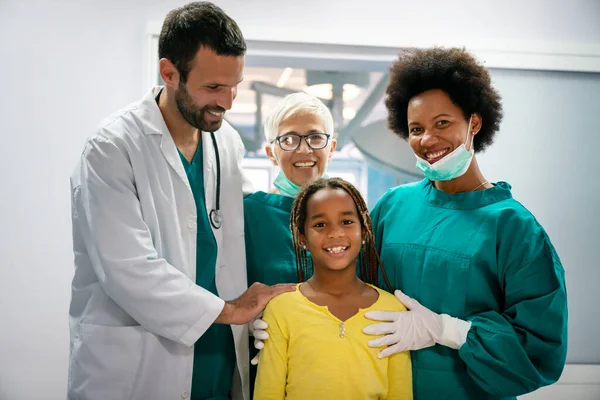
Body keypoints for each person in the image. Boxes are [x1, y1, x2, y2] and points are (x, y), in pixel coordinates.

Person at [68, 3, 294, 399]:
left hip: (216, 352)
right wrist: (230, 310)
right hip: (142, 355)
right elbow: (127, 269)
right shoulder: (111, 148)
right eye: (212, 88)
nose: (228, 101)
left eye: (234, 84)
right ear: (169, 73)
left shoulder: (226, 141)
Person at [362, 47, 568, 399]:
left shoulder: (513, 227)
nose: (428, 139)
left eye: (442, 123)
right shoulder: (392, 207)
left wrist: (448, 330)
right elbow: (350, 289)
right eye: (416, 128)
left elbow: (540, 350)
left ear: (474, 122)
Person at [253, 178, 413, 400]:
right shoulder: (281, 308)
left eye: (347, 221)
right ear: (302, 238)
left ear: (364, 231)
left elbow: (400, 393)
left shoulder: (392, 310)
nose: (335, 233)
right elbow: (267, 394)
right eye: (320, 224)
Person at [244, 92, 337, 366]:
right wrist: (247, 321)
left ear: (331, 148)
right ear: (271, 153)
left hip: (338, 362)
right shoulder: (249, 214)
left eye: (315, 137)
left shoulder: (353, 216)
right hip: (269, 362)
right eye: (289, 139)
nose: (304, 149)